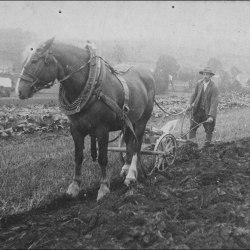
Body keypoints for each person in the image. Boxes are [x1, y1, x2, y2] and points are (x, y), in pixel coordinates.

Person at [187, 67, 219, 147]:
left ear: (210, 76)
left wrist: (211, 116)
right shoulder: (199, 83)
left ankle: (207, 147)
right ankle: (192, 145)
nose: (205, 76)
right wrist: (190, 103)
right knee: (192, 128)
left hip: (207, 112)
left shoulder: (214, 87)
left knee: (209, 129)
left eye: (207, 74)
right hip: (198, 110)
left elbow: (214, 102)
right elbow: (194, 94)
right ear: (202, 75)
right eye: (204, 74)